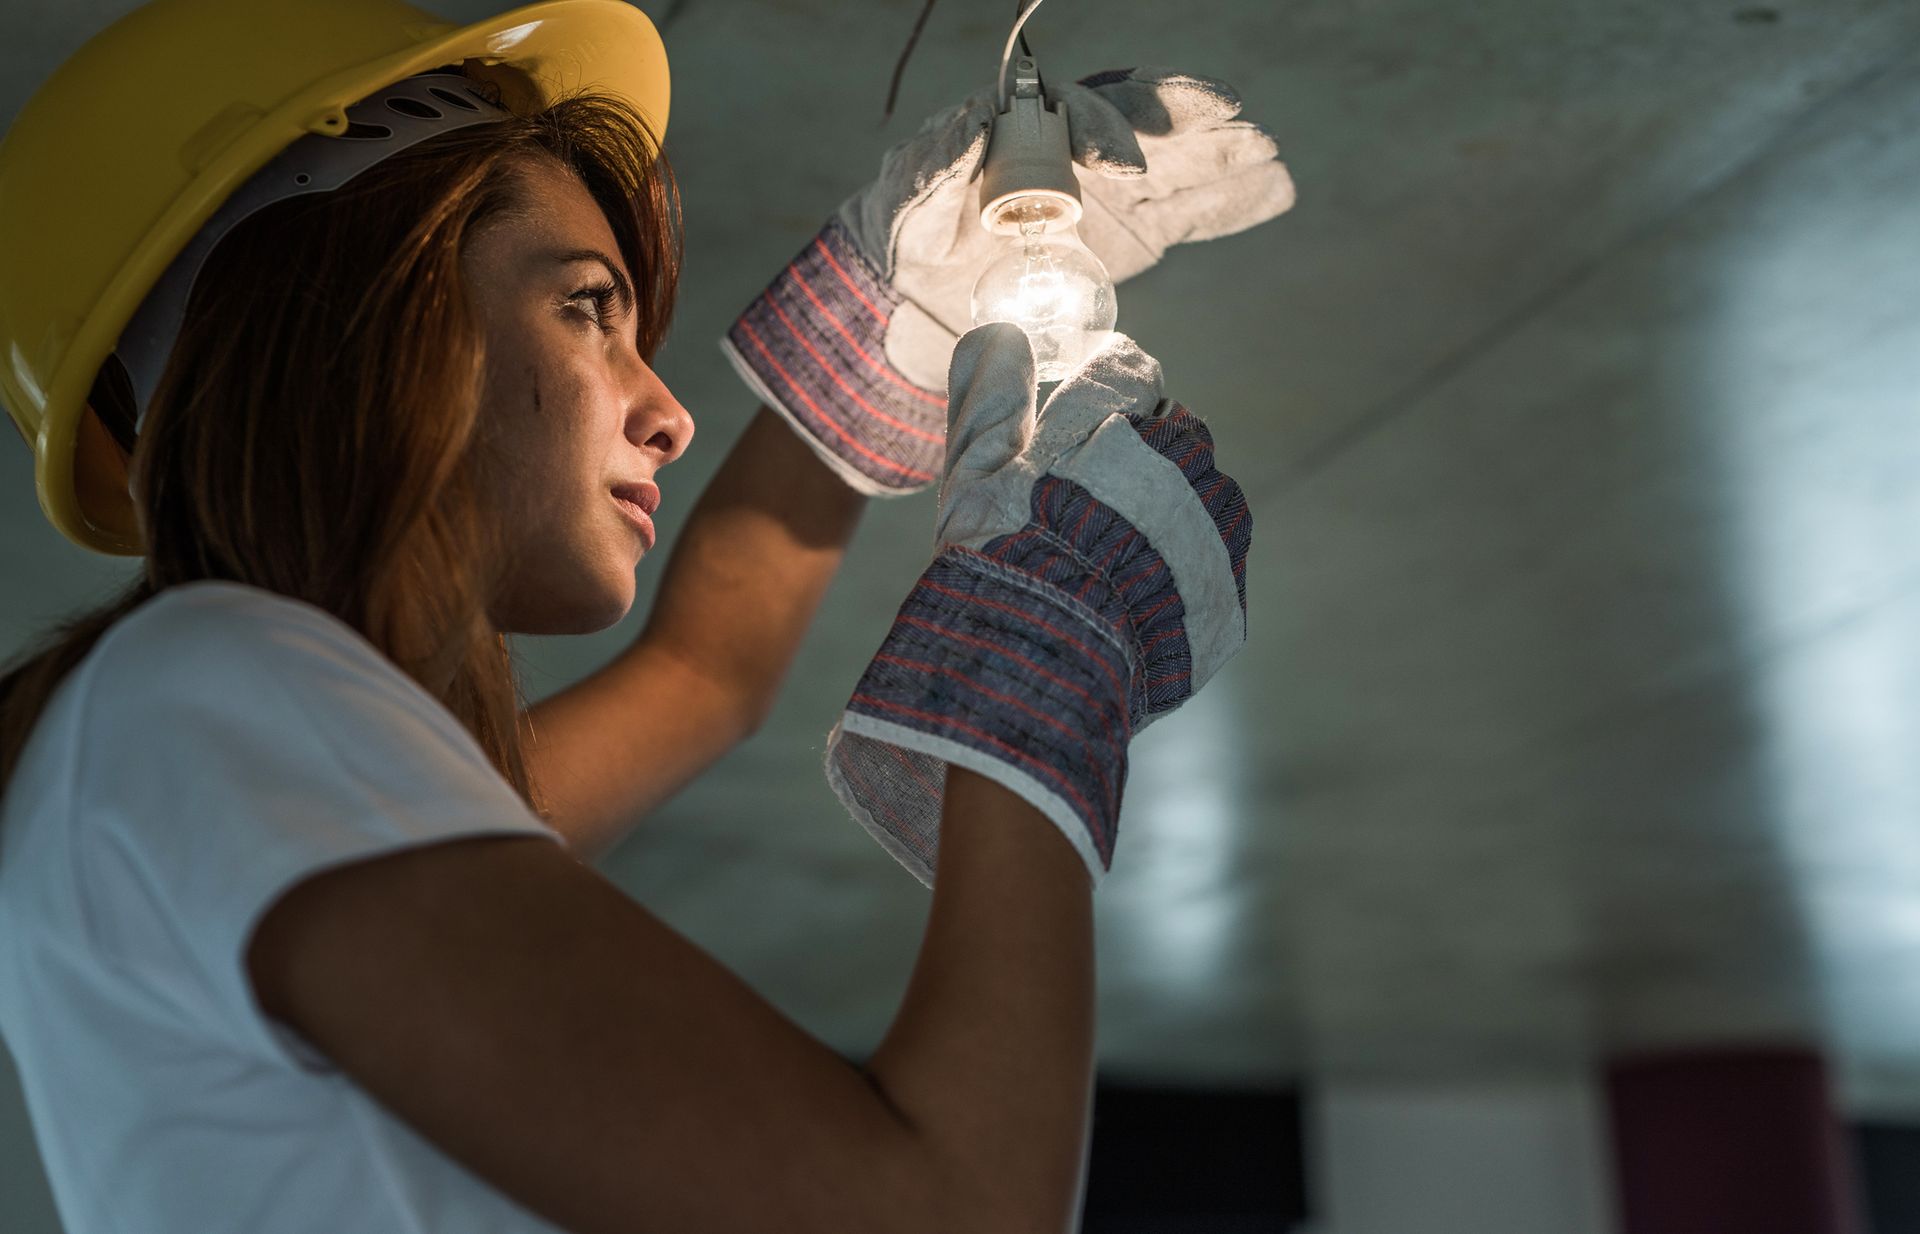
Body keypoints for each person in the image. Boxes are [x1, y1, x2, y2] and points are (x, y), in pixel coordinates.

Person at [0, 0, 1294, 1230]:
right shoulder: (211, 700)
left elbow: (704, 673)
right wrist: (1044, 658)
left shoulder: (195, 747)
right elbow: (960, 1208)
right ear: (367, 318)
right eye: (585, 309)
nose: (665, 410)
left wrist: (895, 318)